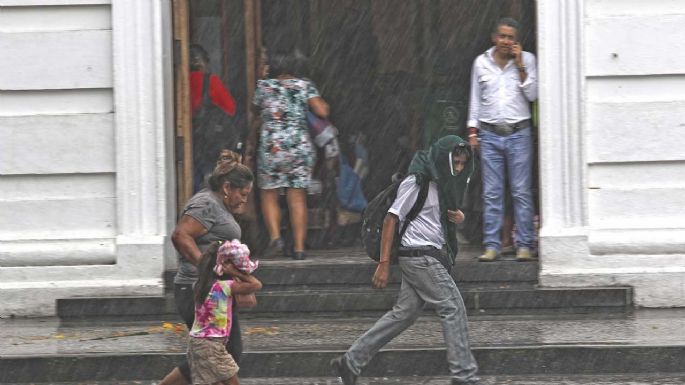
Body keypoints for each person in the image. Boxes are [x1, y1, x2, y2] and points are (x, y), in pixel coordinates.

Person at [331, 135, 482, 385]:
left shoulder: (440, 183)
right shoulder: (416, 181)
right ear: (441, 158)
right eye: (454, 162)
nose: (458, 168)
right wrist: (383, 264)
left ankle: (350, 361)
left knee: (404, 314)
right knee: (452, 307)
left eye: (462, 164)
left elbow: (431, 218)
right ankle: (463, 375)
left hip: (425, 255)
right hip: (420, 256)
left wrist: (456, 217)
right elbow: (392, 218)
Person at [159, 156, 254, 385]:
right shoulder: (206, 204)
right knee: (220, 353)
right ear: (227, 187)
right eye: (242, 193)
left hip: (214, 293)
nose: (244, 200)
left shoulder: (217, 204)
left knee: (213, 354)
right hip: (197, 291)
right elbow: (180, 235)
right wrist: (207, 268)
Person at [466, 17, 537, 262]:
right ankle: (492, 245)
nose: (507, 41)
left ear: (517, 41)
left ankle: (524, 244)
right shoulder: (480, 63)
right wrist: (472, 132)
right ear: (494, 38)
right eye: (503, 36)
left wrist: (520, 66)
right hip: (489, 134)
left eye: (512, 38)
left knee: (521, 192)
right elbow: (475, 99)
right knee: (492, 193)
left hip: (519, 133)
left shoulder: (527, 60)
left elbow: (533, 95)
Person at [252, 50, 329, 260]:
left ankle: (276, 237)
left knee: (269, 194)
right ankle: (299, 248)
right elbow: (322, 111)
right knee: (297, 198)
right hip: (298, 147)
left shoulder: (264, 87)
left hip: (272, 147)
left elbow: (257, 113)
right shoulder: (304, 85)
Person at [187, 240, 262, 385]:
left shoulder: (200, 285)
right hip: (212, 346)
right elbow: (256, 285)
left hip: (196, 343)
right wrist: (235, 272)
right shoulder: (223, 286)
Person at [190, 44, 238, 193]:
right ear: (203, 62)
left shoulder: (176, 82)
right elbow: (231, 108)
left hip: (186, 137)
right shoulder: (210, 81)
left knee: (192, 173)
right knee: (209, 174)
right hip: (207, 137)